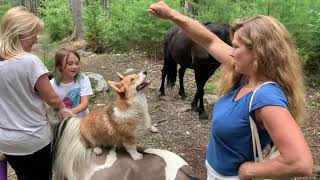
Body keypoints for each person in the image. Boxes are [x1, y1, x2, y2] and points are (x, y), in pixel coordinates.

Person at [148, 1, 313, 180]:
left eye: (236, 47)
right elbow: (209, 40)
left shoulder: (266, 97)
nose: (231, 53)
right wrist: (172, 14)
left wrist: (249, 170)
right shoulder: (247, 74)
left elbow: (300, 162)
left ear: (258, 52)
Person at [0, 6, 71, 180]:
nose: (36, 39)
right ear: (19, 33)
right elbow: (52, 98)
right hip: (33, 139)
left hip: (7, 141)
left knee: (23, 175)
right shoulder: (29, 61)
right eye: (33, 34)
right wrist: (63, 108)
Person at [50, 48, 93, 118]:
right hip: (62, 122)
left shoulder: (83, 79)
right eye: (70, 64)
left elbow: (85, 103)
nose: (75, 67)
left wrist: (71, 112)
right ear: (59, 66)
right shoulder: (51, 85)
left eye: (77, 63)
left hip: (82, 120)